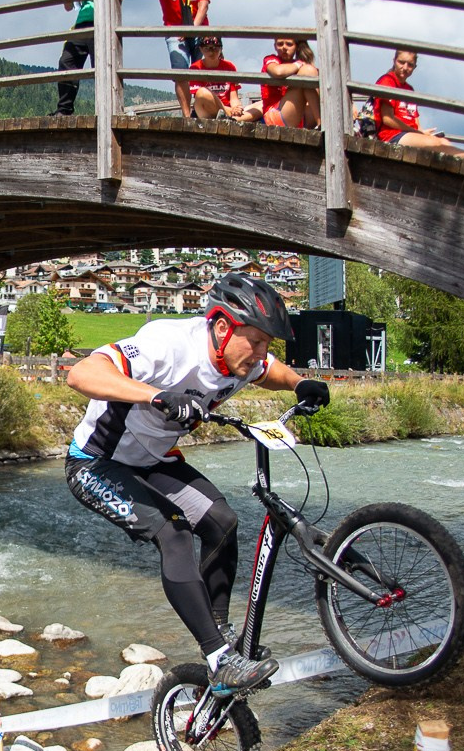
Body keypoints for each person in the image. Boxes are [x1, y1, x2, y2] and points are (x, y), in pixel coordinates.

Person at [63, 274, 330, 691]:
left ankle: (220, 634)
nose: (261, 353)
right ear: (222, 327)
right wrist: (154, 395)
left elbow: (268, 370)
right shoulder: (169, 344)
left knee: (222, 522)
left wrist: (299, 383)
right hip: (97, 464)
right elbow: (81, 374)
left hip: (153, 461)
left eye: (267, 344)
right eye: (256, 341)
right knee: (174, 533)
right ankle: (219, 657)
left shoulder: (240, 358)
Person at [370, 50, 464, 164]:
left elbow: (416, 123)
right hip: (391, 136)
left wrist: (423, 132)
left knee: (444, 142)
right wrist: (418, 133)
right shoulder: (387, 81)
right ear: (394, 61)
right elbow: (387, 119)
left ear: (415, 66)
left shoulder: (409, 89)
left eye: (410, 64)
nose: (405, 67)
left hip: (408, 134)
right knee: (436, 144)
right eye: (401, 62)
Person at [55, 0, 131, 117]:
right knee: (66, 62)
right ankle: (64, 109)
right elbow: (69, 6)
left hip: (104, 23)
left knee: (103, 67)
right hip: (82, 24)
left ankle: (106, 111)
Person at [148, 0, 211, 114]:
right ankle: (186, 116)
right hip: (174, 31)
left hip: (199, 29)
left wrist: (191, 30)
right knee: (180, 71)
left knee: (202, 71)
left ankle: (202, 112)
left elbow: (203, 6)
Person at [249, 36, 319, 129]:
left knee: (311, 75)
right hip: (275, 115)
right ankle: (321, 123)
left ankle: (321, 123)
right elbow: (278, 72)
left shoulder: (301, 66)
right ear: (275, 46)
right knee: (308, 71)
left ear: (296, 47)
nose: (284, 47)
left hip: (300, 117)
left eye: (289, 44)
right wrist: (299, 64)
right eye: (280, 44)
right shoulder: (271, 60)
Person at [185, 36, 244, 120]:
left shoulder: (229, 67)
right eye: (207, 49)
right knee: (202, 92)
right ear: (201, 49)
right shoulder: (196, 68)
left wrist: (237, 108)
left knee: (260, 106)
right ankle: (230, 117)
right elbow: (200, 96)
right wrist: (229, 110)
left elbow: (234, 97)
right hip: (205, 109)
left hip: (229, 110)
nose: (211, 52)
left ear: (221, 49)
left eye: (215, 48)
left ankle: (232, 118)